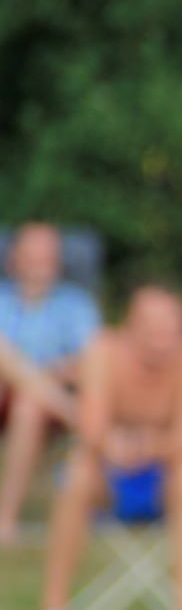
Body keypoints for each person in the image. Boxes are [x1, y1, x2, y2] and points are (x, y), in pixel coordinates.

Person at [40, 283, 182, 610]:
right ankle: (54, 609)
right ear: (130, 327)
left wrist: (148, 445)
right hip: (108, 476)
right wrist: (116, 446)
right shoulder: (102, 349)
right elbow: (92, 427)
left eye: (171, 331)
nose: (162, 341)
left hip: (168, 477)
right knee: (76, 470)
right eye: (152, 331)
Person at [0, 223, 101, 546]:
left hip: (45, 406)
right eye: (31, 253)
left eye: (47, 254)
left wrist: (41, 378)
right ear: (13, 257)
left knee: (29, 404)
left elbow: (94, 363)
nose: (39, 261)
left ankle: (5, 520)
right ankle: (82, 419)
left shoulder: (76, 304)